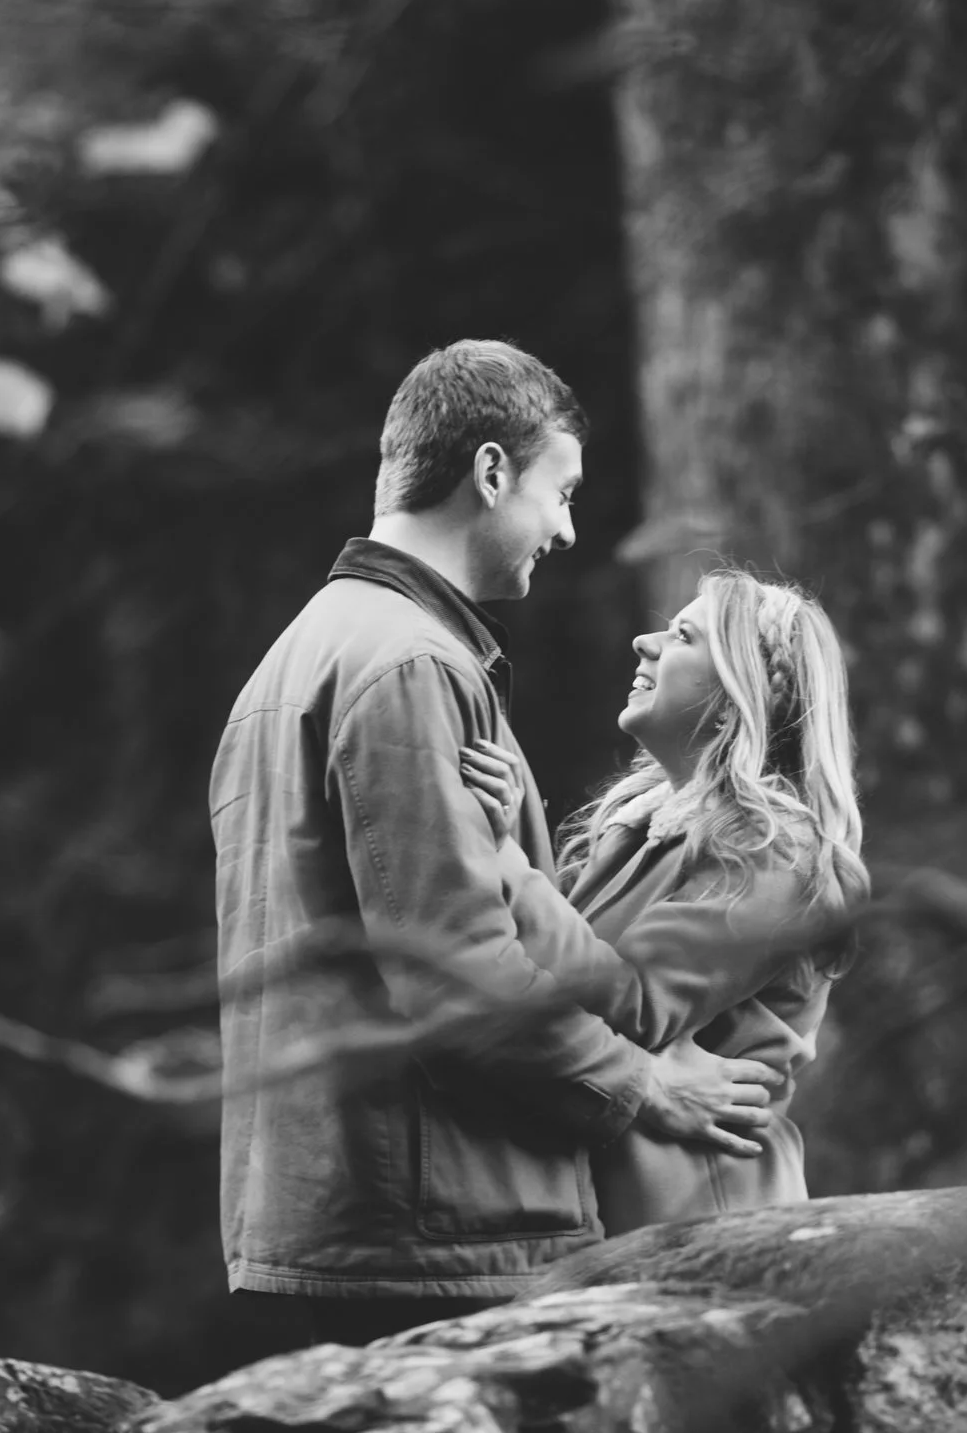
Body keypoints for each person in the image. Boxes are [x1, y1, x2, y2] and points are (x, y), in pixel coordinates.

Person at [208, 340, 785, 1356]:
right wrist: (650, 1084)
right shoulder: (412, 663)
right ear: (489, 472)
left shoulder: (302, 652)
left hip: (353, 1203)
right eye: (559, 491)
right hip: (438, 1223)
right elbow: (457, 969)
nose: (565, 528)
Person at [460, 571, 868, 1232]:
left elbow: (636, 1002)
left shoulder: (781, 852)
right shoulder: (634, 832)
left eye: (683, 635)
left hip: (708, 1221)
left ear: (740, 694)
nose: (643, 642)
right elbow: (549, 966)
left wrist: (505, 857)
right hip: (616, 1211)